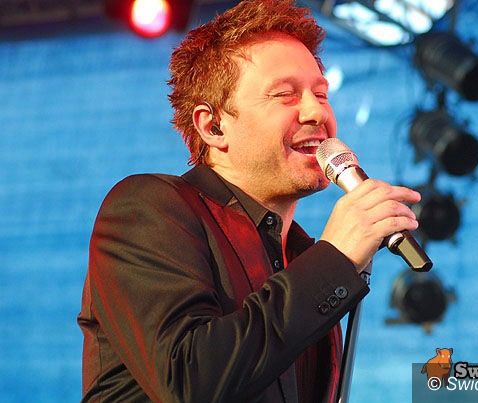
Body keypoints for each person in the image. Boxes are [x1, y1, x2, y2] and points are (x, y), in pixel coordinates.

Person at [77, 1, 420, 402]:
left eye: (321, 93)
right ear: (214, 126)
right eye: (285, 94)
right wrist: (336, 259)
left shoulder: (302, 255)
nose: (316, 111)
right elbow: (190, 381)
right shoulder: (147, 209)